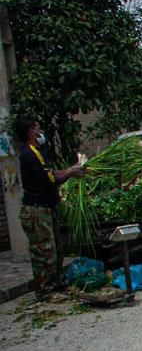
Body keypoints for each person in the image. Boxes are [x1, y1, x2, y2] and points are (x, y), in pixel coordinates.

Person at [14, 117, 85, 302]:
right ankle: (45, 292)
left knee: (55, 250)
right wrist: (70, 173)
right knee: (43, 252)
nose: (42, 132)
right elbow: (51, 180)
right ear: (31, 132)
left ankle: (58, 285)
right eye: (39, 129)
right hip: (36, 211)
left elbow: (52, 173)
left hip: (46, 209)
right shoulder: (30, 154)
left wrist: (71, 169)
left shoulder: (37, 152)